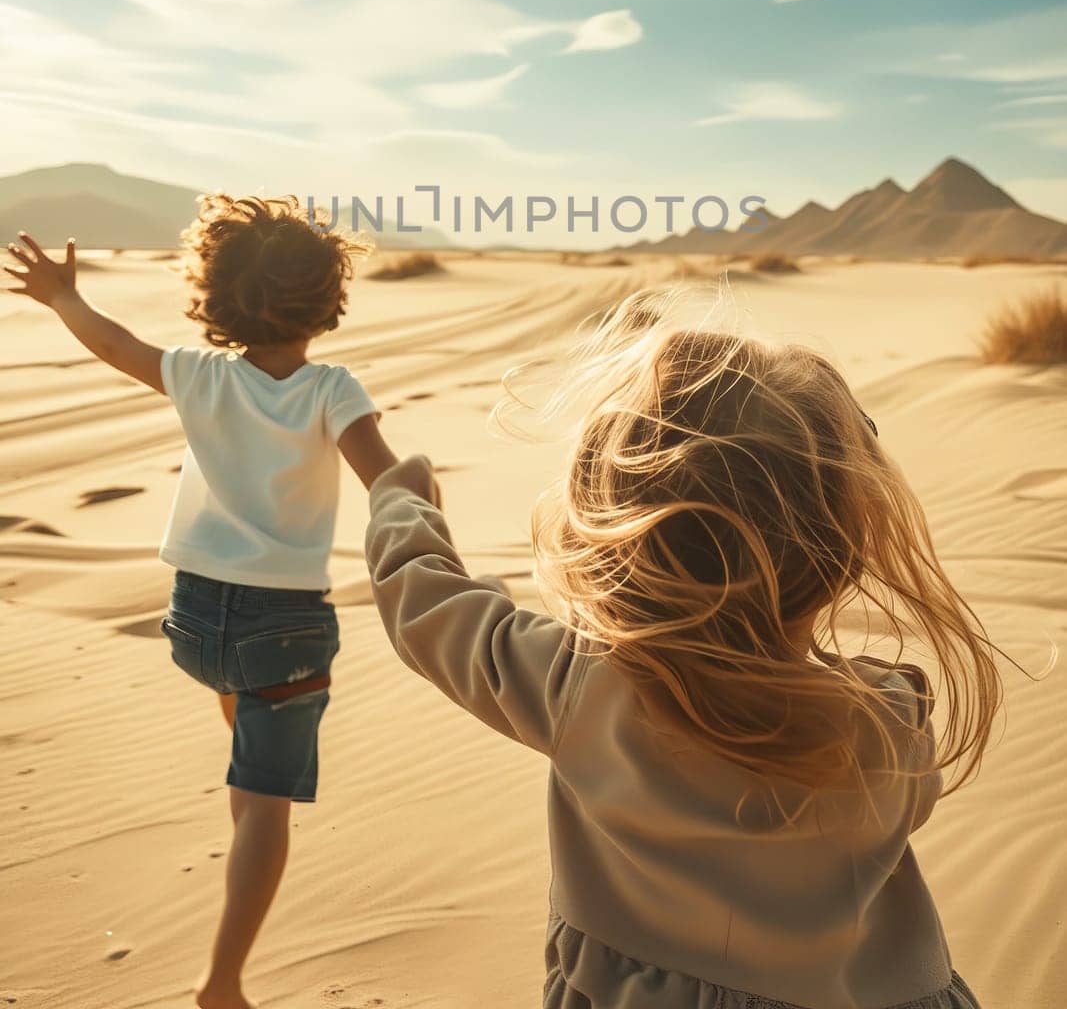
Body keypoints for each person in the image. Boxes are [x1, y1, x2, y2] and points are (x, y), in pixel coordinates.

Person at [362, 287, 1003, 1009]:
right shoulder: (890, 720)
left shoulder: (576, 687)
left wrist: (399, 496)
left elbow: (426, 609)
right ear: (841, 555)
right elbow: (906, 807)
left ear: (615, 534)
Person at [5, 199, 398, 1009]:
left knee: (243, 718)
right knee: (264, 809)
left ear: (215, 298)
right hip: (282, 626)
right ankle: (221, 982)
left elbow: (114, 343)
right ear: (328, 300)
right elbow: (385, 481)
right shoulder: (332, 388)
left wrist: (62, 297)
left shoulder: (198, 375)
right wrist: (420, 496)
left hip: (190, 622)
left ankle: (246, 771)